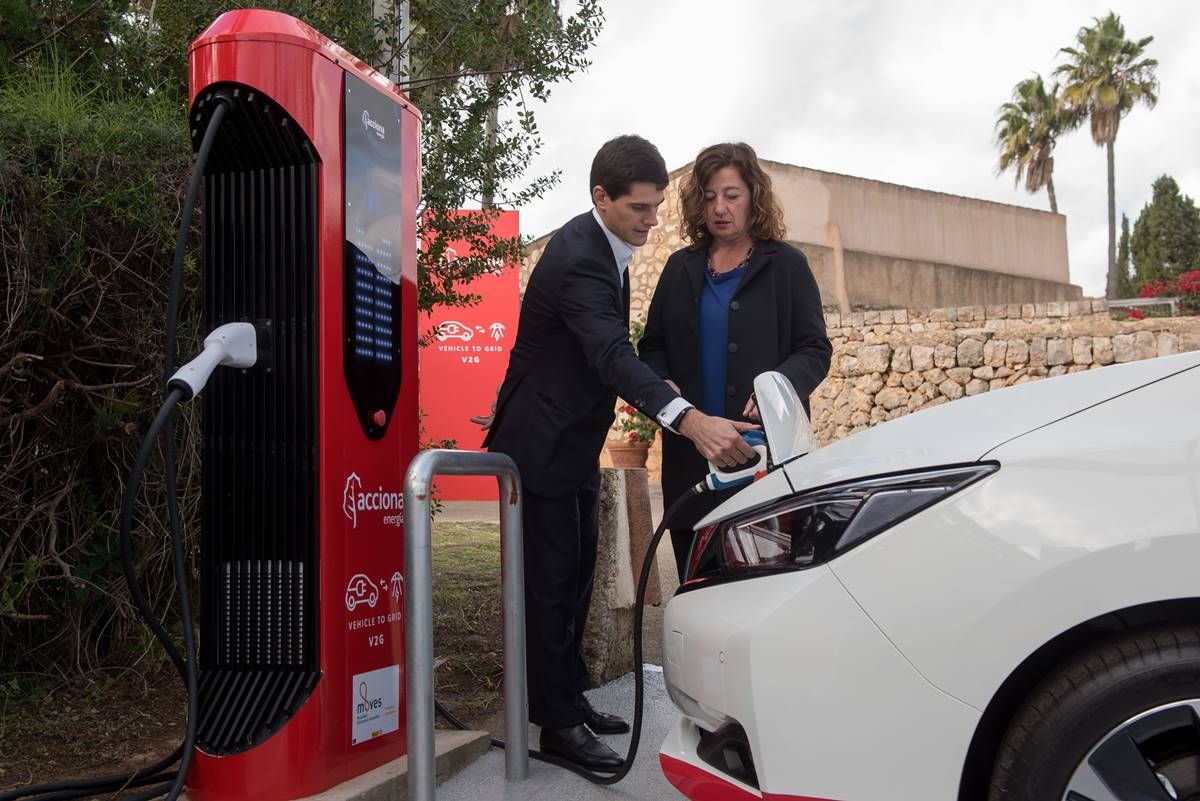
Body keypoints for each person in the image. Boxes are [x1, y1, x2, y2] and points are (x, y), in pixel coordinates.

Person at [481, 135, 758, 771]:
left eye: (658, 205)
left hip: (572, 438)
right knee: (550, 583)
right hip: (540, 441)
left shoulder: (611, 248)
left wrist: (662, 391)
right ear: (600, 197)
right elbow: (610, 354)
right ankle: (555, 725)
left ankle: (567, 698)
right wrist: (685, 420)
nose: (652, 219)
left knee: (576, 575)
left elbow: (608, 357)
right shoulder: (581, 255)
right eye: (640, 208)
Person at [639, 142, 832, 579]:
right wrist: (660, 382)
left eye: (731, 195)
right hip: (692, 458)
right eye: (709, 197)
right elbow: (652, 346)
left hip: (765, 460)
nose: (719, 208)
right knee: (694, 588)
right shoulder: (678, 269)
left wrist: (778, 386)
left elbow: (815, 349)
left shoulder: (788, 266)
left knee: (763, 591)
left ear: (753, 197)